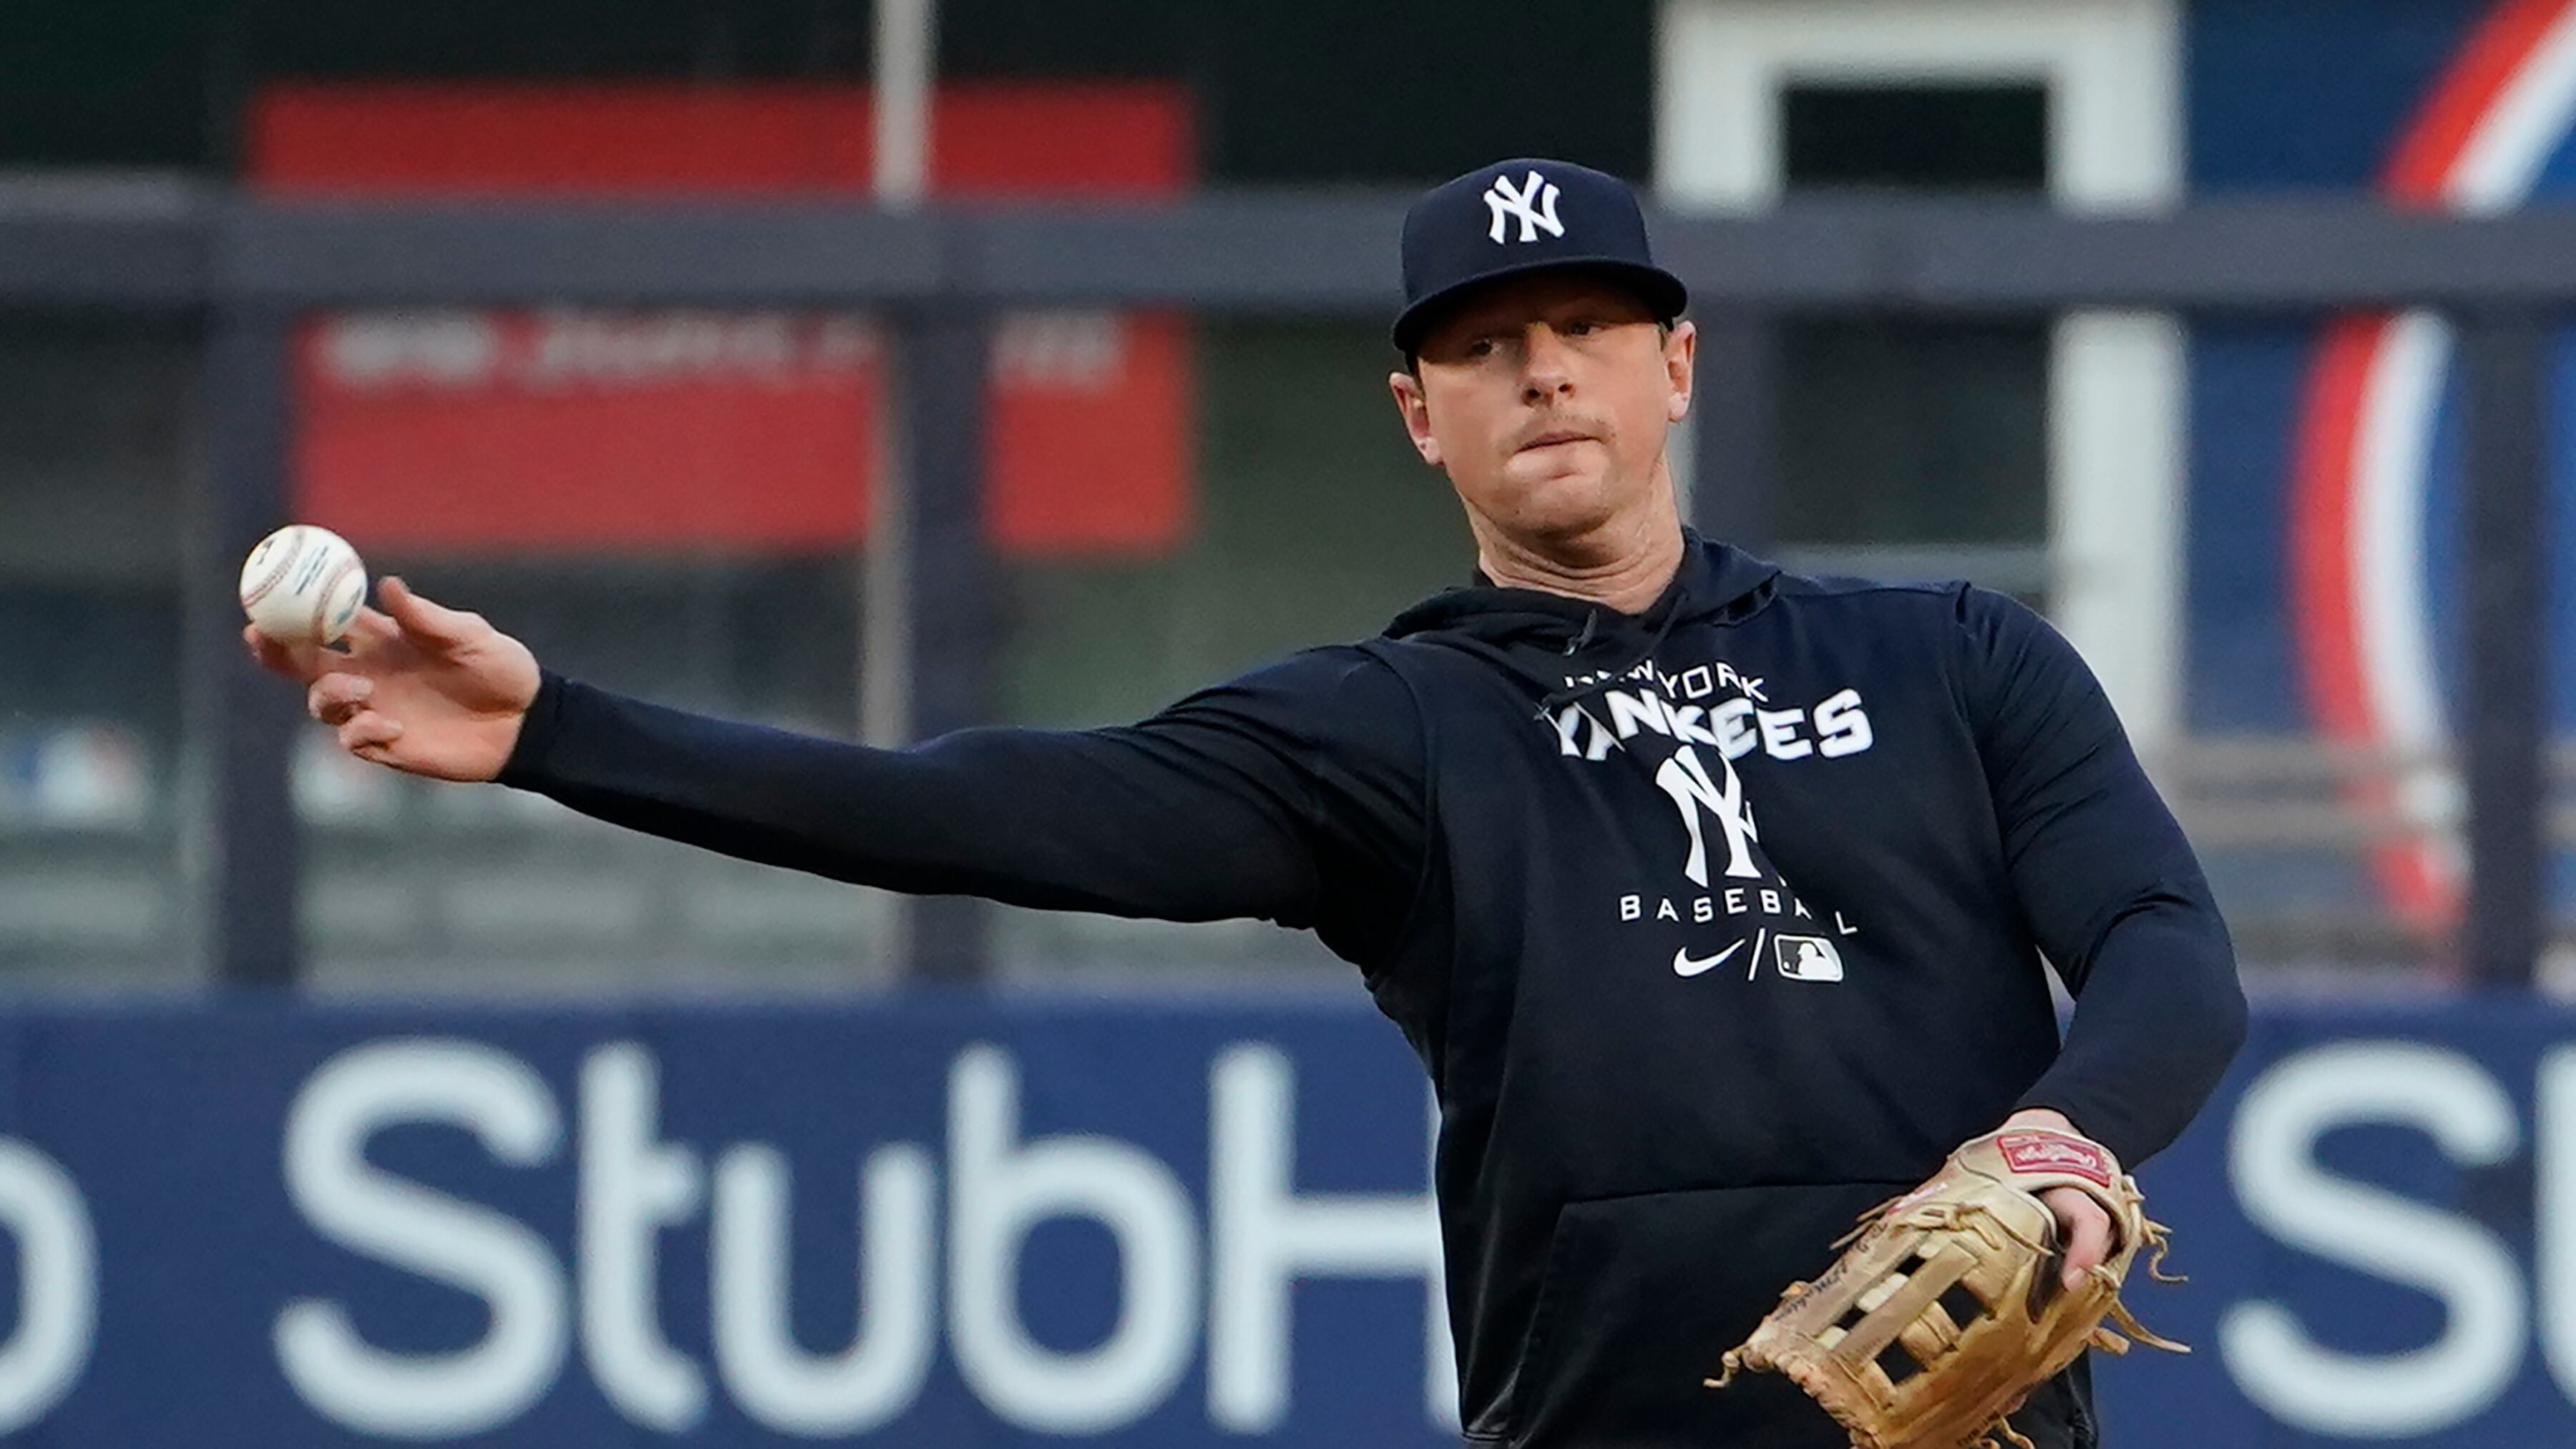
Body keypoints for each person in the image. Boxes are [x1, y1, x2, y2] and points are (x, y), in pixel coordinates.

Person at [250, 159, 2245, 1448]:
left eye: (1584, 330)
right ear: (1420, 415)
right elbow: (973, 809)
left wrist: (2063, 1140)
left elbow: (2164, 941)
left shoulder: (1952, 659)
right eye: (1486, 347)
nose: (1544, 373)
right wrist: (562, 729)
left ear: (1675, 365)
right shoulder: (1390, 730)